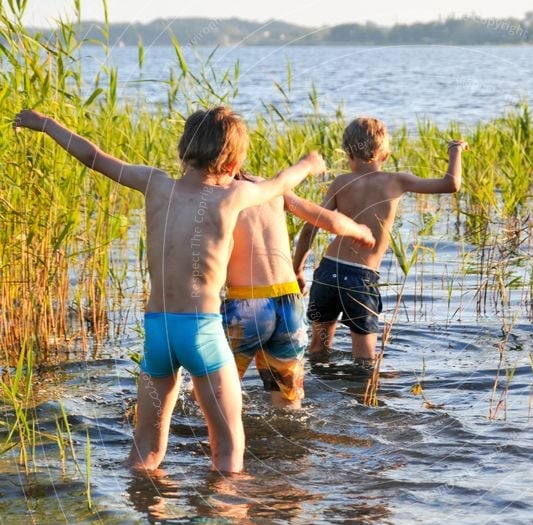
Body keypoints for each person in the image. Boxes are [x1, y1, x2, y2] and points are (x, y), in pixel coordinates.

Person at [13, 107, 325, 473]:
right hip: (202, 331)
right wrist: (308, 163)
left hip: (158, 331)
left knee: (145, 448)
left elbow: (94, 156)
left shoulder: (154, 183)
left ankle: (146, 512)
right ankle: (224, 522)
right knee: (227, 448)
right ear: (233, 163)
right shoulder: (234, 196)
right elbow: (279, 183)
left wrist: (46, 124)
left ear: (184, 150)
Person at [292, 117, 468, 366]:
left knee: (318, 349)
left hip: (328, 272)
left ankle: (320, 396)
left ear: (348, 153)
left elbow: (311, 226)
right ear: (384, 155)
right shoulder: (396, 181)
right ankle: (361, 401)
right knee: (364, 361)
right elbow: (451, 184)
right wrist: (455, 150)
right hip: (360, 280)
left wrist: (297, 269)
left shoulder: (341, 183)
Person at [223, 173, 375, 410]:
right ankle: (291, 443)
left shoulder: (214, 194)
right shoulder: (269, 186)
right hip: (289, 301)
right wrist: (358, 229)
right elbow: (326, 219)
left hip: (247, 304)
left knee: (217, 389)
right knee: (288, 397)